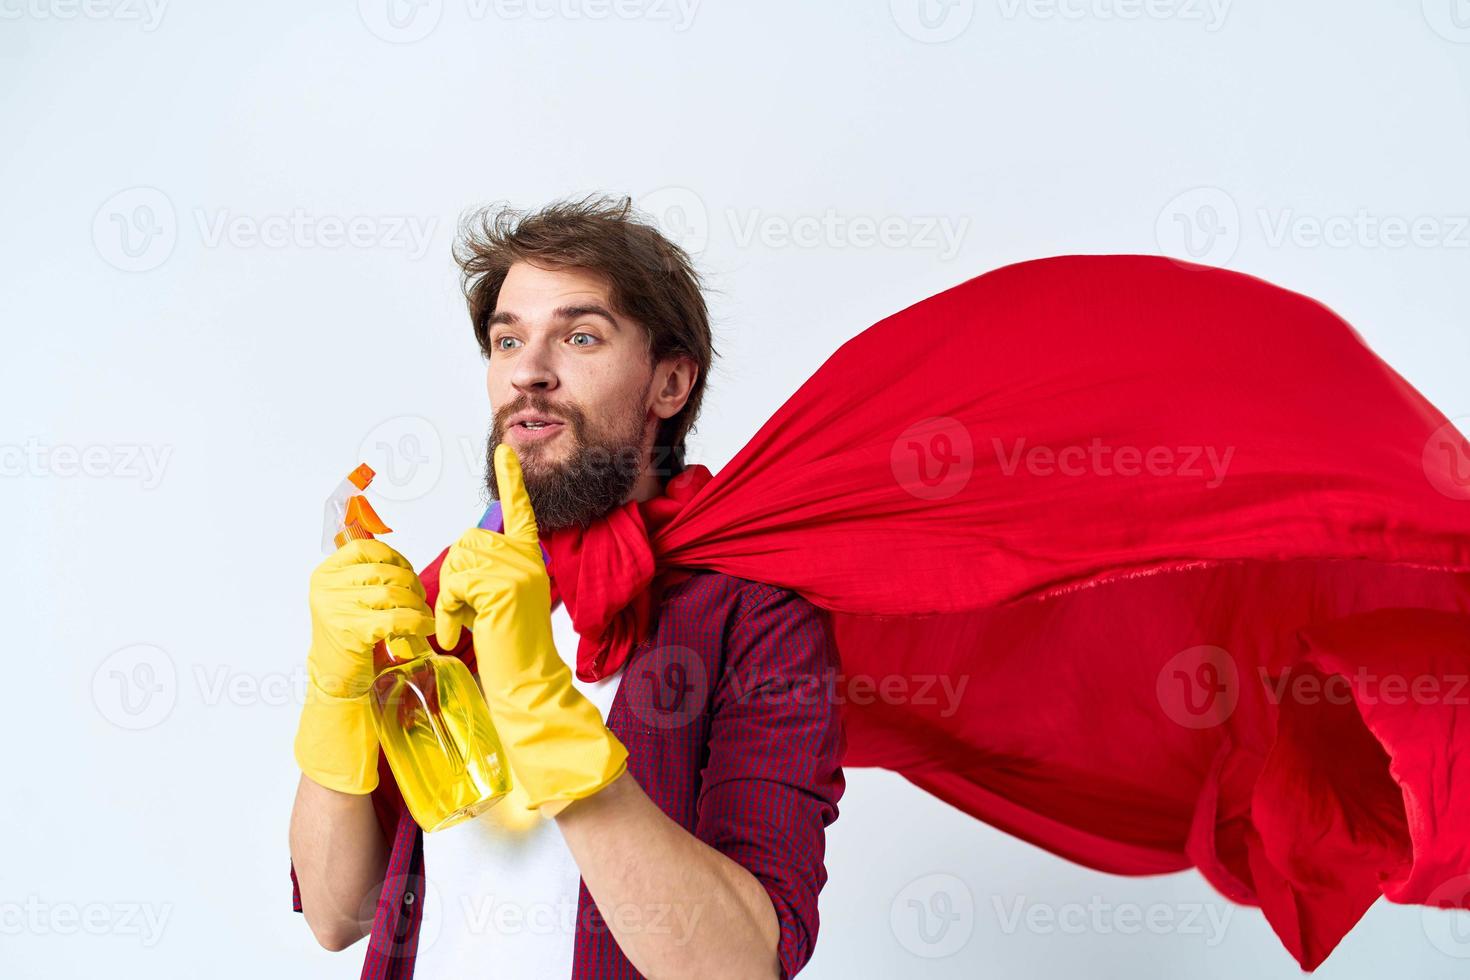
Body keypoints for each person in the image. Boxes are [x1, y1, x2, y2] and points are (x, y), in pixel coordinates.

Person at [286, 195, 846, 979]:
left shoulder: (757, 613)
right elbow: (335, 915)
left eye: (580, 336)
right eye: (506, 339)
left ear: (670, 383)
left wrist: (550, 720)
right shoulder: (447, 596)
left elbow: (743, 963)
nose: (527, 372)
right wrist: (336, 694)